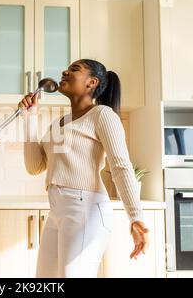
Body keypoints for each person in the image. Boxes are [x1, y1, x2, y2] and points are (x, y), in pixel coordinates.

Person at [19, 59, 149, 278]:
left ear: (91, 82)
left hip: (85, 209)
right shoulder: (59, 124)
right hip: (57, 211)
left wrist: (135, 217)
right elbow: (35, 167)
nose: (64, 71)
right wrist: (29, 119)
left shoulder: (102, 115)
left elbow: (121, 166)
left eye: (74, 69)